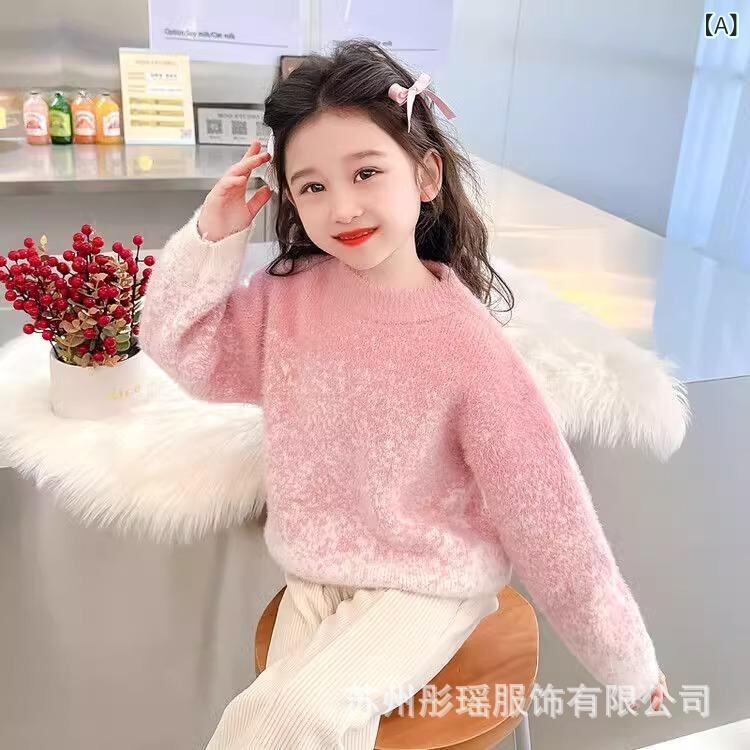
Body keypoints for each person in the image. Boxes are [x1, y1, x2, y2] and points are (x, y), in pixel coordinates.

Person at [139, 38, 670, 750]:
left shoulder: (466, 345)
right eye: (312, 187)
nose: (342, 207)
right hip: (315, 571)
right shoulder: (285, 298)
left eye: (366, 172)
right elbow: (183, 349)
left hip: (427, 583)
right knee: (269, 722)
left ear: (424, 174)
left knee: (297, 719)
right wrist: (213, 235)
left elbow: (550, 517)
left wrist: (628, 662)